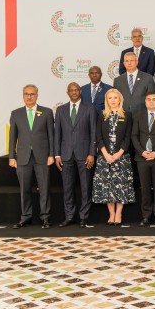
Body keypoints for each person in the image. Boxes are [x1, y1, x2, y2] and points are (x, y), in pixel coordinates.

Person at [9, 84, 55, 229]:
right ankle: (25, 217)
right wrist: (12, 157)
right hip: (23, 157)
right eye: (26, 94)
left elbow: (51, 136)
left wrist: (52, 154)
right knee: (24, 189)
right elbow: (12, 137)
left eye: (32, 94)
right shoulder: (16, 113)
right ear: (23, 96)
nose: (29, 97)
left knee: (44, 188)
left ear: (37, 95)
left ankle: (45, 218)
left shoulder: (47, 112)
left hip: (42, 156)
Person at [53, 82, 97, 228]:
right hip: (65, 155)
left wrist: (92, 153)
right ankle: (69, 216)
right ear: (67, 93)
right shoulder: (60, 110)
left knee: (86, 187)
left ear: (80, 92)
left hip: (85, 155)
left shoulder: (89, 108)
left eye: (76, 90)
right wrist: (57, 155)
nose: (74, 92)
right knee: (67, 188)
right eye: (71, 90)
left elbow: (93, 132)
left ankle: (84, 217)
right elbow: (57, 134)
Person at [92, 88, 135, 226]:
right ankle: (111, 214)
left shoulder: (127, 115)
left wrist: (119, 153)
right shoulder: (102, 115)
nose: (113, 100)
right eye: (110, 98)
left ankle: (118, 213)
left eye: (115, 97)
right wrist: (105, 154)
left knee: (121, 185)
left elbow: (128, 136)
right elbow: (98, 136)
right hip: (104, 157)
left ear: (120, 99)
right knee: (107, 186)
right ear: (106, 100)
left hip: (121, 157)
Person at [131, 90, 155, 227]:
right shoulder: (138, 115)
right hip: (142, 158)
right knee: (145, 189)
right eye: (149, 99)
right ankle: (146, 216)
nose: (151, 102)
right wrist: (142, 152)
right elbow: (134, 136)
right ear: (145, 102)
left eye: (154, 99)